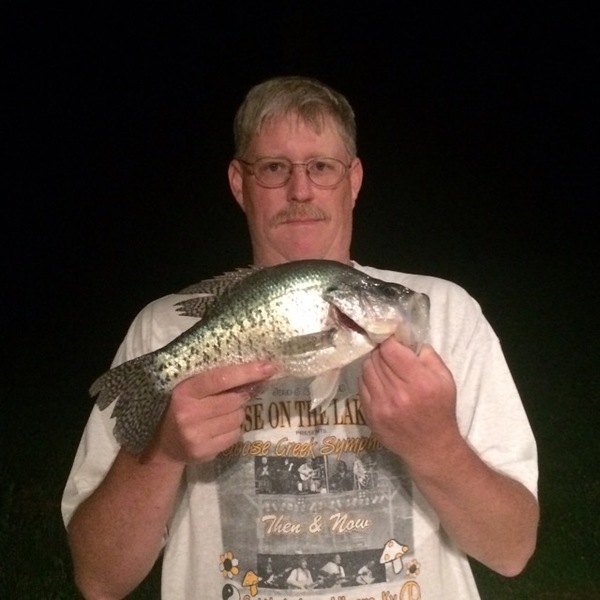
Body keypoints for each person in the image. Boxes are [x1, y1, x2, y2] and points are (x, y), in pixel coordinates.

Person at [62, 76, 539, 599]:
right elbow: (99, 580)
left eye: (322, 167)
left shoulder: (447, 314)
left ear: (353, 180)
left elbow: (512, 550)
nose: (301, 190)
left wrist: (436, 445)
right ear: (239, 183)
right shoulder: (164, 330)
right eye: (273, 168)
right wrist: (162, 452)